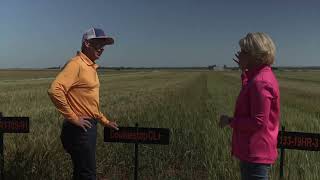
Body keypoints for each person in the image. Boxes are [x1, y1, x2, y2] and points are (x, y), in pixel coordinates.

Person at [48, 27, 119, 180]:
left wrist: (104, 121)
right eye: (98, 44)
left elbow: (89, 104)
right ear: (87, 43)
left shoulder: (89, 67)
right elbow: (55, 90)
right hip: (80, 130)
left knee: (82, 173)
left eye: (103, 46)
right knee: (87, 175)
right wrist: (74, 118)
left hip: (87, 127)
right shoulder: (76, 64)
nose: (102, 49)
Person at [219, 32, 280, 180]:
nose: (239, 54)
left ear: (256, 55)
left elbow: (258, 122)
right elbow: (251, 94)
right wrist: (244, 72)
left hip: (256, 154)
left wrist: (230, 121)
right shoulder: (260, 77)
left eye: (244, 51)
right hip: (255, 152)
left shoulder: (260, 82)